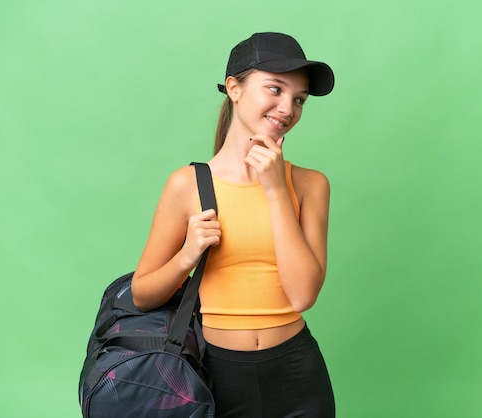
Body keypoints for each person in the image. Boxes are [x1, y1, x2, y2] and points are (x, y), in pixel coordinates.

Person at [131, 32, 336, 417]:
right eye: (274, 89)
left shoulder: (310, 185)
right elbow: (142, 295)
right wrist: (186, 256)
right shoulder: (186, 185)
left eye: (299, 99)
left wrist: (276, 191)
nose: (287, 108)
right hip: (216, 376)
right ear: (234, 88)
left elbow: (303, 295)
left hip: (297, 372)